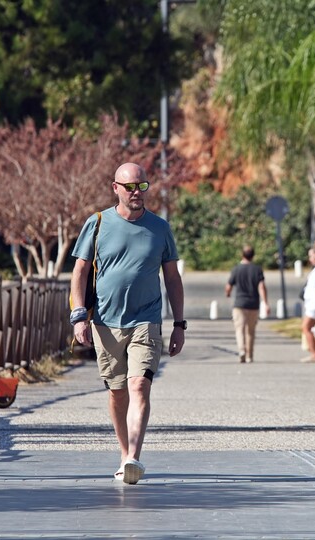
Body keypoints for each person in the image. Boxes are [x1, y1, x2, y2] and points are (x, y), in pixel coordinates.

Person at [70, 162, 186, 485]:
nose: (137, 192)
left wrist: (179, 324)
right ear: (116, 188)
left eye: (142, 186)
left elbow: (172, 278)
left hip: (146, 320)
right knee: (118, 392)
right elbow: (80, 271)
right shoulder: (97, 223)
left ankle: (134, 456)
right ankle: (124, 455)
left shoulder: (160, 228)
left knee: (139, 385)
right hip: (105, 321)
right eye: (130, 187)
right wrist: (78, 315)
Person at [225, 245, 270, 363]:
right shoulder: (257, 269)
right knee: (250, 331)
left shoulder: (236, 269)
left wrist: (228, 293)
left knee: (239, 329)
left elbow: (229, 286)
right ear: (253, 256)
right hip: (253, 304)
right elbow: (261, 286)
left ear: (242, 255)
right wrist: (265, 302)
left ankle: (242, 350)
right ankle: (249, 355)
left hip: (239, 304)